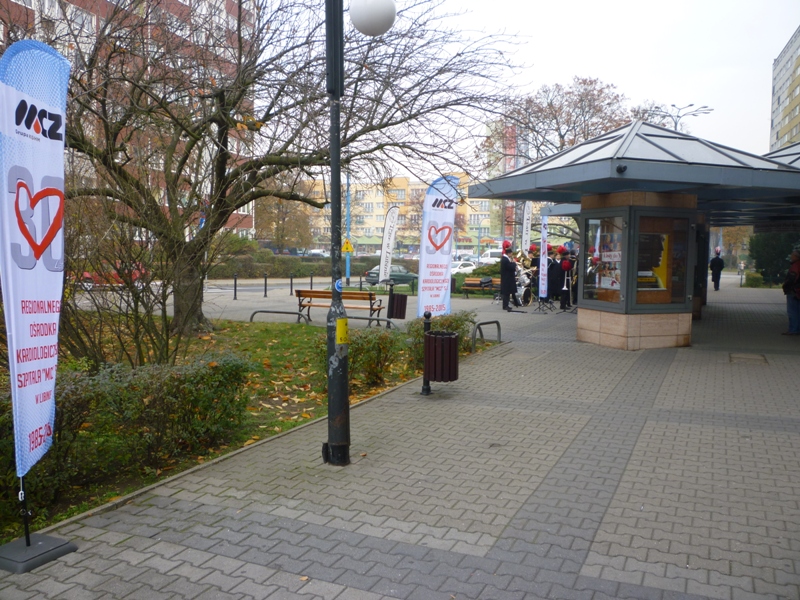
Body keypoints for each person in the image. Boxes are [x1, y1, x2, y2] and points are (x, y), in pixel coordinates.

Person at [781, 250, 800, 335]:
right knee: (797, 311)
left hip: (793, 291)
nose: (791, 257)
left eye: (792, 255)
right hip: (797, 291)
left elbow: (792, 278)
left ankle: (793, 329)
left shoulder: (795, 266)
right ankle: (796, 329)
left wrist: (786, 286)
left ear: (796, 257)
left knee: (792, 311)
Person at [500, 241, 520, 311]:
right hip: (506, 279)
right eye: (511, 253)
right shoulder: (505, 260)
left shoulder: (506, 259)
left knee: (508, 293)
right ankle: (505, 306)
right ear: (508, 253)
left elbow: (510, 267)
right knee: (506, 293)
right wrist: (514, 263)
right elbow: (510, 267)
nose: (511, 255)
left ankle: (507, 305)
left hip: (508, 278)